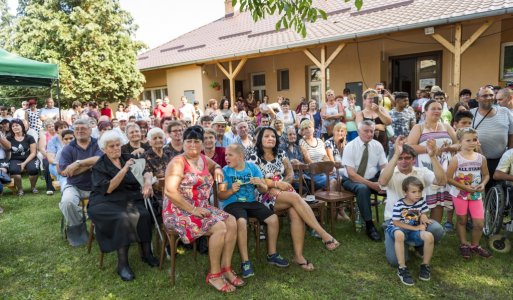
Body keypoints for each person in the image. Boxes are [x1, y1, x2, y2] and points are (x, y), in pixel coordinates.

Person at [247, 127, 340, 271]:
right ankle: (323, 233)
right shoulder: (253, 156)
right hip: (262, 194)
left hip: (284, 191)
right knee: (296, 198)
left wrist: (281, 185)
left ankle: (298, 256)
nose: (270, 138)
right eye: (266, 136)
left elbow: (290, 174)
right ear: (260, 139)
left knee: (295, 211)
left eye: (273, 136)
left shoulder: (281, 153)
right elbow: (256, 180)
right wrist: (275, 184)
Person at [163, 126, 242, 293]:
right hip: (179, 210)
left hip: (201, 207)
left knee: (232, 221)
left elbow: (216, 166)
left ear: (202, 142)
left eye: (196, 141)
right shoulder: (177, 162)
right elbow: (170, 191)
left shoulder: (203, 159)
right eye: (189, 141)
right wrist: (192, 209)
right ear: (183, 143)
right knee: (219, 227)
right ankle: (214, 275)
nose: (193, 144)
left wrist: (219, 171)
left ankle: (226, 268)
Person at [87, 131, 158, 281]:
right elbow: (109, 188)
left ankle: (147, 254)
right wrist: (124, 169)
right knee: (122, 218)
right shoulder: (100, 165)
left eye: (118, 145)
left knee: (144, 214)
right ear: (104, 149)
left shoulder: (127, 158)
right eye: (111, 146)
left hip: (128, 198)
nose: (115, 148)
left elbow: (146, 171)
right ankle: (122, 264)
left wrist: (146, 182)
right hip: (104, 201)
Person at [219, 144, 288, 278]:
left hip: (251, 202)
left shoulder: (253, 168)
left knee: (273, 219)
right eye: (226, 155)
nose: (226, 157)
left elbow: (263, 190)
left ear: (241, 156)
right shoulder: (225, 171)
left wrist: (260, 183)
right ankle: (245, 262)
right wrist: (231, 190)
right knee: (241, 222)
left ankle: (272, 254)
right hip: (232, 203)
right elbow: (220, 196)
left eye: (230, 155)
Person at [378, 138, 446, 266]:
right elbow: (382, 182)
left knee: (437, 230)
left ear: (413, 159)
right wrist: (395, 155)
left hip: (418, 219)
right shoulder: (388, 171)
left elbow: (442, 181)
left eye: (407, 158)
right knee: (395, 262)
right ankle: (395, 236)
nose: (403, 161)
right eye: (400, 158)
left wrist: (433, 157)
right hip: (395, 221)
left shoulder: (422, 172)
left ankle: (418, 247)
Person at [407, 99, 458, 224]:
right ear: (425, 111)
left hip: (444, 168)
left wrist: (449, 148)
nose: (437, 111)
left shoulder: (446, 126)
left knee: (439, 200)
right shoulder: (419, 127)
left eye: (439, 109)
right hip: (425, 167)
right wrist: (430, 150)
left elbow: (458, 144)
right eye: (433, 108)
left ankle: (435, 229)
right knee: (421, 197)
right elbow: (410, 146)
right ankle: (417, 227)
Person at [446, 127, 492, 259]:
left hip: (475, 194)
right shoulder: (456, 159)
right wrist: (464, 188)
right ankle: (464, 244)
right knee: (462, 220)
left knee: (479, 223)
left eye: (475, 139)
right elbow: (448, 178)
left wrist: (483, 184)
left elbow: (486, 175)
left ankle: (475, 245)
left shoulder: (481, 158)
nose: (472, 142)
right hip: (460, 194)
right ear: (460, 141)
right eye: (468, 140)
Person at [58, 119, 102, 247]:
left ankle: (103, 230)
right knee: (67, 202)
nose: (79, 131)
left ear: (90, 130)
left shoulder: (98, 143)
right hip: (74, 185)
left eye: (83, 128)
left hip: (97, 185)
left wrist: (78, 163)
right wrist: (90, 165)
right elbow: (67, 172)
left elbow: (99, 159)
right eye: (76, 129)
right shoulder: (68, 148)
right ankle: (79, 232)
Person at [342, 120, 388, 241]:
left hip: (372, 178)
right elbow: (351, 175)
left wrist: (384, 182)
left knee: (392, 187)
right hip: (351, 180)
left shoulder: (377, 145)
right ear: (358, 131)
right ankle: (370, 226)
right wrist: (372, 185)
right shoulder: (350, 146)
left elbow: (384, 167)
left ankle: (395, 221)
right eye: (366, 131)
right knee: (363, 189)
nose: (369, 134)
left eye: (372, 131)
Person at [386, 176, 434, 286]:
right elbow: (397, 222)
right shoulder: (399, 204)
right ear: (405, 192)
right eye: (413, 192)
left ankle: (425, 265)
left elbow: (423, 212)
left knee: (429, 236)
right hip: (398, 227)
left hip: (411, 230)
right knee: (399, 234)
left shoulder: (420, 202)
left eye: (419, 191)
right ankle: (402, 268)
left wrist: (423, 215)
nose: (417, 194)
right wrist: (416, 228)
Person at [470, 86, 513, 190]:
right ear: (477, 99)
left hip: (501, 160)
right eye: (485, 95)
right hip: (477, 160)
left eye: (491, 95)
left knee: (500, 190)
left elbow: (511, 134)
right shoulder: (471, 114)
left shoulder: (505, 112)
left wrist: (510, 154)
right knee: (479, 189)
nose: (489, 97)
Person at [5, 119, 39, 196]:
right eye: (13, 126)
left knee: (33, 169)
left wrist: (24, 163)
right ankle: (20, 189)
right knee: (14, 170)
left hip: (29, 157)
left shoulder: (29, 137)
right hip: (15, 159)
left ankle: (33, 187)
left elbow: (33, 153)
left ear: (22, 126)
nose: (14, 127)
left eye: (17, 125)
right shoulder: (9, 138)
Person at [356, 89, 392, 154]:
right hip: (368, 143)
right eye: (370, 98)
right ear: (364, 100)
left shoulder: (381, 109)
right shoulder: (360, 113)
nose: (372, 100)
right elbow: (360, 128)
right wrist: (377, 126)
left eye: (374, 98)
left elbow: (389, 122)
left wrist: (378, 112)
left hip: (383, 143)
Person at [389, 92, 416, 157]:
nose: (407, 102)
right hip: (393, 143)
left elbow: (413, 129)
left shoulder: (410, 113)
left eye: (407, 100)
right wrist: (393, 140)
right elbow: (387, 129)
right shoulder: (389, 113)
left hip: (406, 142)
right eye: (404, 101)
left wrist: (407, 139)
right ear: (397, 101)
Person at [38, 119, 58, 195]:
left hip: (58, 155)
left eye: (53, 126)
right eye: (49, 127)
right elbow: (42, 149)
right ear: (46, 128)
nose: (52, 128)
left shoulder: (58, 134)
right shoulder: (44, 136)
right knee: (47, 165)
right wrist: (49, 157)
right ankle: (49, 187)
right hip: (47, 156)